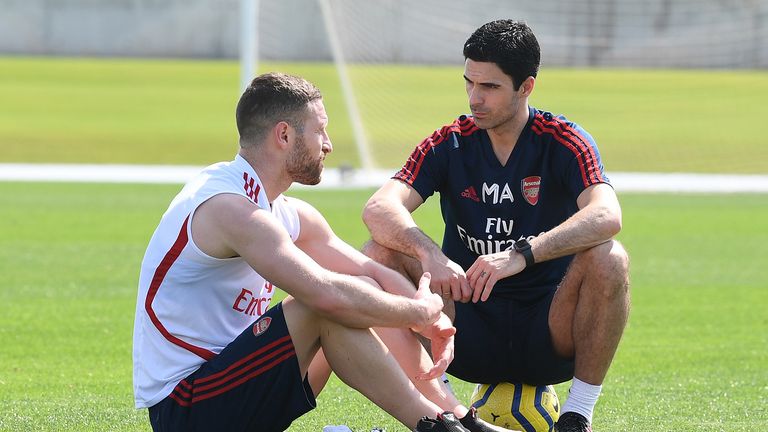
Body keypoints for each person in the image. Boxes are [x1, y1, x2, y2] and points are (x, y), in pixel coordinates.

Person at [132, 72, 511, 432]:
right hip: (185, 409)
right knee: (322, 307)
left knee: (357, 289)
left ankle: (456, 416)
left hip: (233, 388)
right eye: (320, 130)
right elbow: (328, 297)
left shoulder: (282, 210)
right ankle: (435, 425)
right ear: (283, 135)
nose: (328, 143)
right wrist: (419, 310)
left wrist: (427, 317)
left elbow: (373, 275)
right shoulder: (231, 208)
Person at [362, 20, 631, 432]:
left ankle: (577, 417)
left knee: (610, 256)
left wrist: (522, 254)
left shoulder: (563, 140)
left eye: (489, 87)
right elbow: (380, 208)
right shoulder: (449, 142)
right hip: (463, 325)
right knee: (380, 252)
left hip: (548, 325)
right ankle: (443, 411)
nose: (474, 98)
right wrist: (430, 254)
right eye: (469, 82)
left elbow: (607, 215)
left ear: (526, 87)